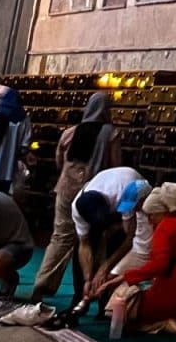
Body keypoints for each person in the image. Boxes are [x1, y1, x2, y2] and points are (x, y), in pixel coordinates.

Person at [32, 90, 120, 301]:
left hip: (66, 188)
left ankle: (43, 284)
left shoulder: (70, 132)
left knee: (61, 237)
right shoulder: (111, 134)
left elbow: (59, 161)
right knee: (93, 240)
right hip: (94, 193)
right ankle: (91, 291)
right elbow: (116, 166)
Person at [109, 182, 176, 336]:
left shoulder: (166, 227)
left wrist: (125, 277)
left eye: (151, 215)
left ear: (162, 211)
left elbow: (159, 265)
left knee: (126, 309)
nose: (149, 220)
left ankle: (167, 324)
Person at [73, 165, 154, 305]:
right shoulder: (77, 208)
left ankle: (105, 301)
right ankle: (81, 296)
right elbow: (84, 244)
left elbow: (129, 239)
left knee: (116, 242)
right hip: (111, 203)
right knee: (82, 254)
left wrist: (106, 268)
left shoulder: (128, 192)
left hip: (128, 194)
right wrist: (88, 278)